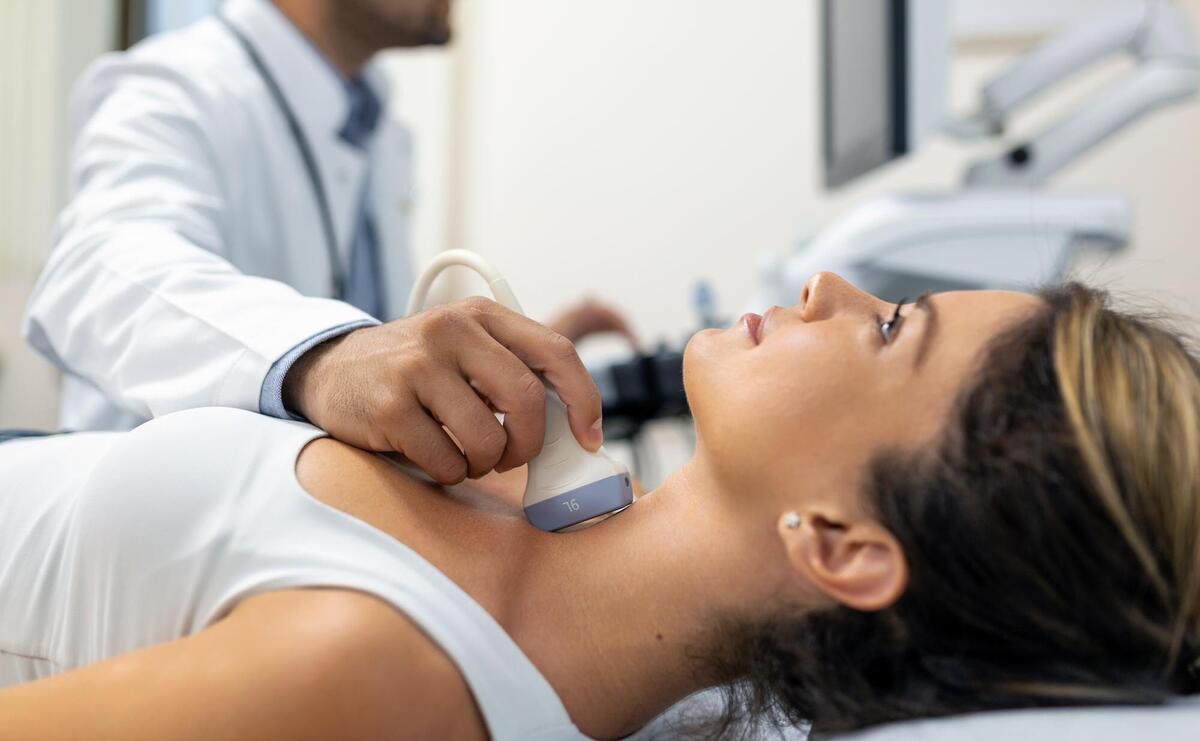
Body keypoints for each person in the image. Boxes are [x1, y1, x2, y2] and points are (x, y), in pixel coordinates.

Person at [2, 272, 1198, 740]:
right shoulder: (530, 501)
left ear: (842, 543)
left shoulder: (374, 672)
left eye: (892, 330)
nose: (836, 288)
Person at [22, 0, 633, 485]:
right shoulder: (174, 87)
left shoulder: (379, 131)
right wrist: (327, 359)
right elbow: (95, 272)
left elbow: (382, 371)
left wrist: (505, 380)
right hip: (153, 554)